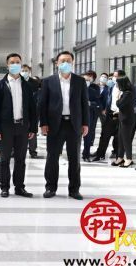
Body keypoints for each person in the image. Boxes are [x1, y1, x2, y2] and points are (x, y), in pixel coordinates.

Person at [40, 51, 89, 200]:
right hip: (55, 124)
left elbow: (84, 104)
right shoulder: (48, 81)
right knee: (52, 157)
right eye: (62, 61)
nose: (65, 63)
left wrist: (85, 123)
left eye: (68, 60)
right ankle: (50, 187)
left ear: (73, 62)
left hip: (74, 125)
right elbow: (43, 104)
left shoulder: (80, 81)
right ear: (57, 63)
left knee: (74, 159)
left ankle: (74, 190)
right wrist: (43, 123)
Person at [0, 54, 37, 198]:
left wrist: (33, 128)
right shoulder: (0, 85)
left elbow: (32, 108)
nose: (15, 64)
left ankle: (19, 187)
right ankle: (4, 187)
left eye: (17, 62)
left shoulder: (27, 85)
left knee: (21, 160)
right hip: (6, 128)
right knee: (4, 159)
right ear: (7, 65)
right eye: (12, 62)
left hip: (22, 126)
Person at [92, 70, 126, 162]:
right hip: (110, 114)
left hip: (121, 115)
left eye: (115, 76)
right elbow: (109, 100)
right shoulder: (112, 87)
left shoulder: (126, 88)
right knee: (104, 136)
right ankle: (100, 155)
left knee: (118, 137)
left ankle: (118, 157)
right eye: (112, 77)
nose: (113, 78)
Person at [111, 76, 136, 168]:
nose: (117, 85)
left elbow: (119, 104)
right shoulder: (126, 93)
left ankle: (129, 159)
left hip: (127, 119)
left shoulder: (127, 93)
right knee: (121, 139)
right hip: (123, 118)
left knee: (126, 140)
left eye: (118, 83)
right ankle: (120, 157)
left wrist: (117, 97)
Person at [20, 64, 40, 158]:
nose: (24, 72)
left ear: (29, 71)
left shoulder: (35, 83)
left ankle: (33, 151)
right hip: (19, 110)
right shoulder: (17, 81)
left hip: (32, 110)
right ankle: (15, 150)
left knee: (32, 130)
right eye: (22, 70)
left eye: (26, 70)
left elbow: (38, 96)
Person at [82, 71, 101, 162]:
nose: (87, 80)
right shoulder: (77, 86)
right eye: (85, 78)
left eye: (89, 78)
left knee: (88, 135)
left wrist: (90, 103)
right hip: (77, 114)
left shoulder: (95, 88)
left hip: (90, 113)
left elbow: (98, 101)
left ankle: (86, 153)